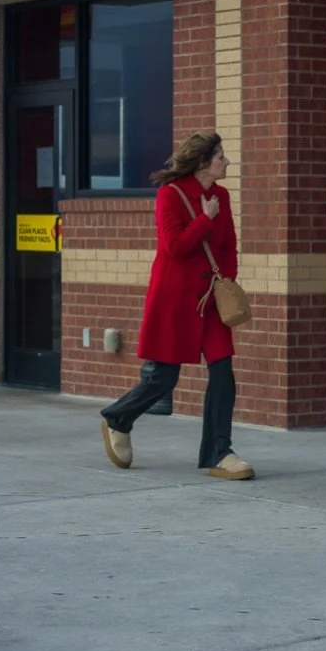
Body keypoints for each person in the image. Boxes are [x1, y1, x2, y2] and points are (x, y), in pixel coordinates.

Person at [99, 132, 254, 481]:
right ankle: (118, 418)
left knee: (223, 372)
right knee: (163, 377)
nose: (227, 162)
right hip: (175, 300)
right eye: (220, 157)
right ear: (203, 163)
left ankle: (220, 452)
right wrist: (205, 219)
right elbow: (175, 247)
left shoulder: (222, 196)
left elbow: (229, 246)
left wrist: (223, 282)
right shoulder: (170, 195)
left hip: (210, 301)